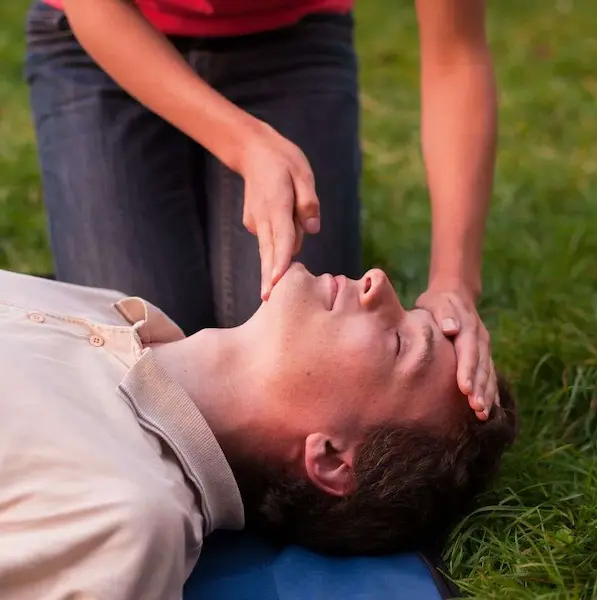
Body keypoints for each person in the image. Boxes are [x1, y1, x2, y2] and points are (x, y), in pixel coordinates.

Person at [24, 0, 500, 422]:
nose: (378, 281)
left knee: (302, 381)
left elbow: (457, 57)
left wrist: (454, 281)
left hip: (290, 46)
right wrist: (244, 143)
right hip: (103, 35)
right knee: (139, 371)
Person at [0, 263, 517, 599]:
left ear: (331, 459)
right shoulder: (115, 310)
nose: (377, 281)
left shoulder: (127, 516)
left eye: (399, 343)